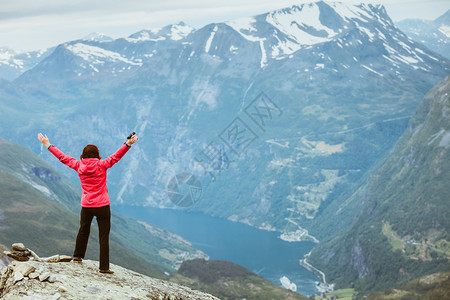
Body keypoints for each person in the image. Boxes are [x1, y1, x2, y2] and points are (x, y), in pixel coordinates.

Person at [37, 133, 138, 274]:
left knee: (83, 230)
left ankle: (78, 256)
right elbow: (116, 156)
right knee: (104, 236)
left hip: (87, 206)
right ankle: (104, 268)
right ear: (97, 155)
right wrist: (127, 144)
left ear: (83, 156)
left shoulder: (78, 165)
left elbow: (62, 157)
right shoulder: (102, 165)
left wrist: (47, 144)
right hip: (102, 205)